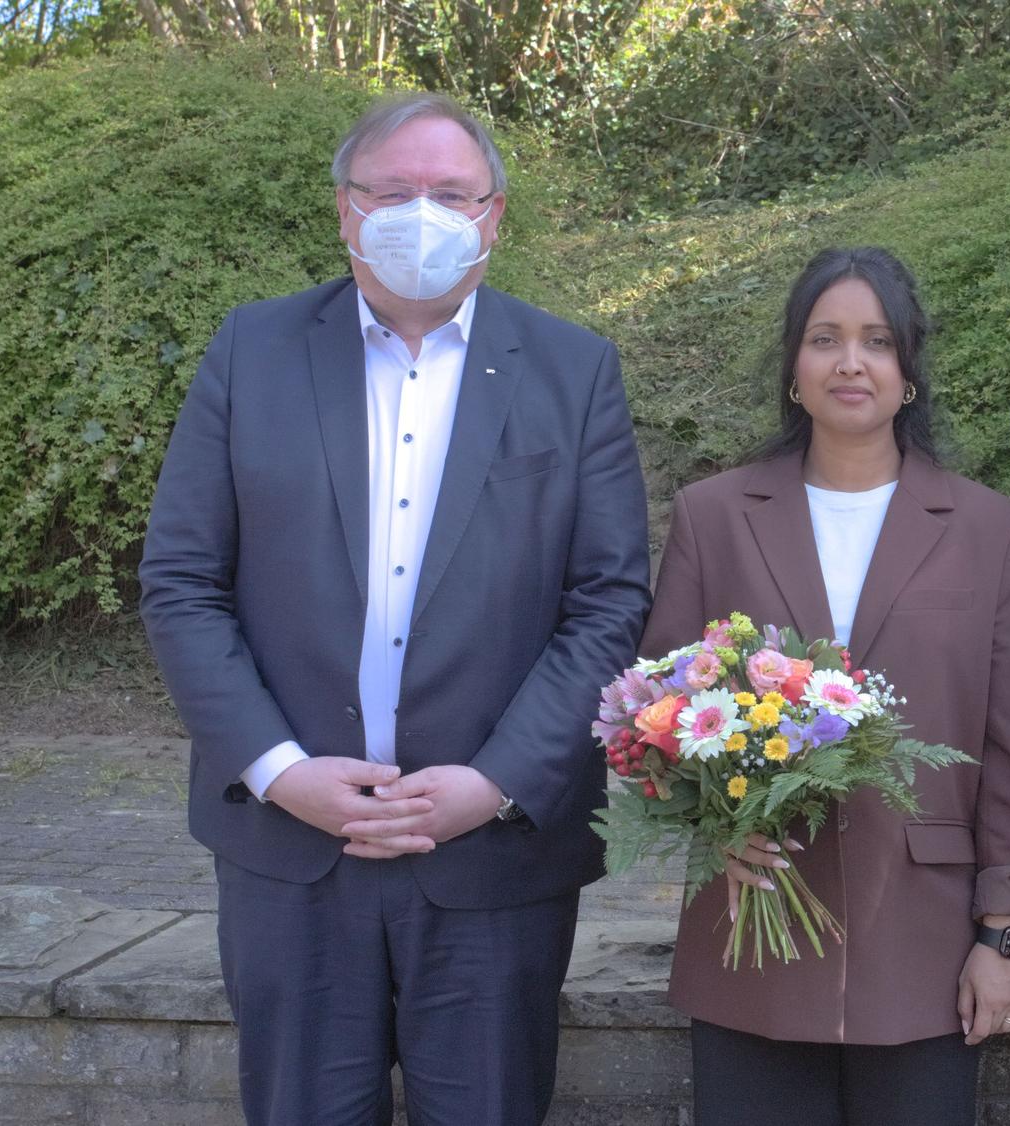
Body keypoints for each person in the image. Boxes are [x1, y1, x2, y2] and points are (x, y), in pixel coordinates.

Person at [138, 92, 649, 1126]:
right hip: (292, 853)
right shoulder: (253, 351)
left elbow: (605, 602)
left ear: (493, 216)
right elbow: (181, 580)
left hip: (491, 851)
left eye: (450, 193)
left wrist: (496, 781)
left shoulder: (572, 368)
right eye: (395, 190)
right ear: (345, 210)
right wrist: (280, 771)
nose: (422, 211)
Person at [639, 246, 1010, 1126]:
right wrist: (715, 828)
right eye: (825, 339)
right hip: (756, 923)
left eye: (877, 341)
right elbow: (655, 713)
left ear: (910, 371)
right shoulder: (715, 517)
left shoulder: (990, 530)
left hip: (926, 942)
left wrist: (1004, 936)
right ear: (794, 367)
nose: (851, 362)